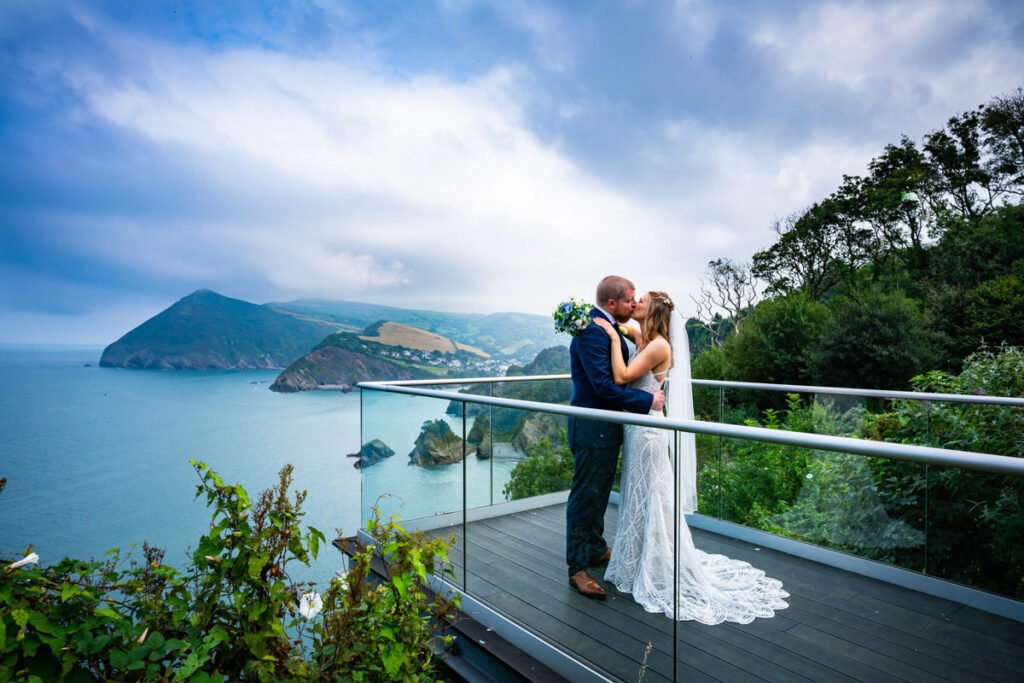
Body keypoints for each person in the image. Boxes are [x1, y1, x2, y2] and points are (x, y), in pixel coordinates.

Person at [594, 291, 789, 623]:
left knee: (653, 495)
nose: (635, 302)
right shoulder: (645, 337)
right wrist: (604, 322)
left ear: (653, 310)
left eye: (640, 299)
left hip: (648, 433)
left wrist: (612, 337)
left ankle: (657, 563)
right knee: (642, 494)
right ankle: (640, 557)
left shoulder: (658, 346)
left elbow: (623, 377)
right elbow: (624, 326)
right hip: (637, 429)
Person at [566, 276, 665, 600]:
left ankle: (594, 548)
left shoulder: (607, 327)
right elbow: (604, 388)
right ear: (612, 304)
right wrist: (646, 402)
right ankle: (577, 568)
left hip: (607, 429)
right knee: (585, 497)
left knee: (599, 494)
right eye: (629, 301)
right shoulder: (593, 332)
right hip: (593, 428)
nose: (633, 305)